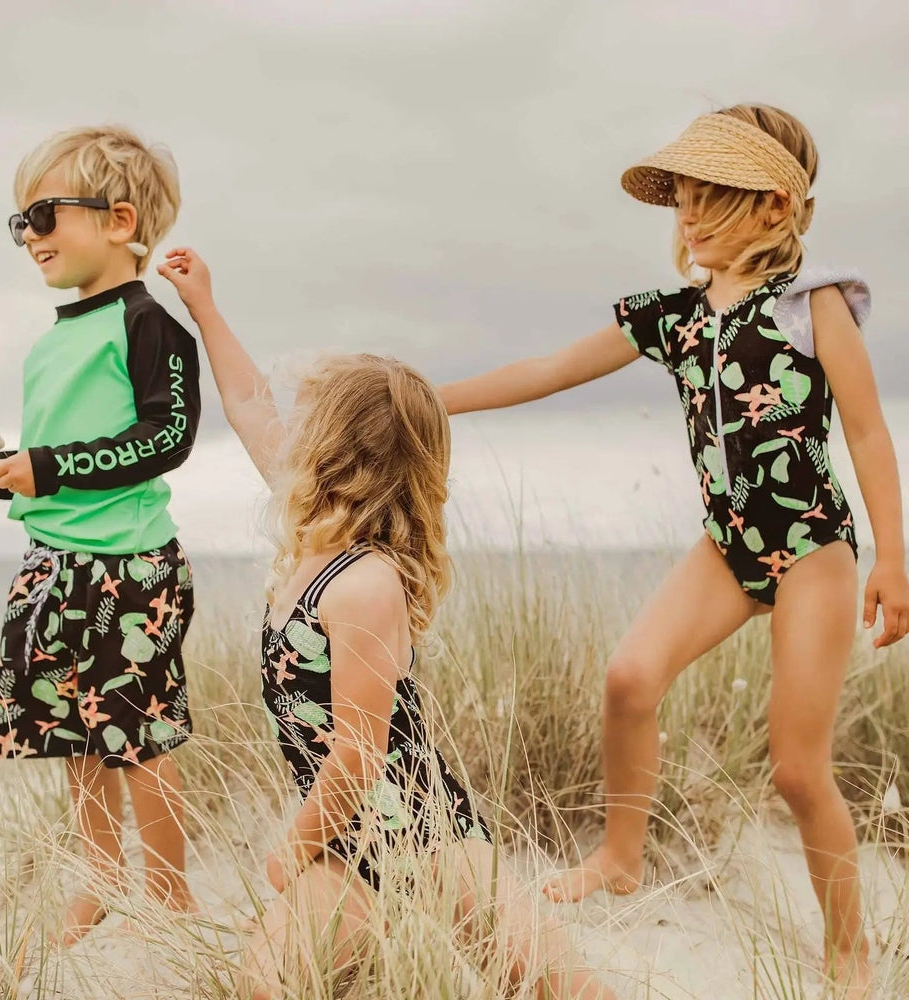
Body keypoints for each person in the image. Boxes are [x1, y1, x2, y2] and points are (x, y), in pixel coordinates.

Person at [437, 104, 909, 997]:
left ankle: (850, 946)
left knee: (799, 768)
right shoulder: (674, 316)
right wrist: (433, 397)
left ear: (774, 207)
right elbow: (547, 370)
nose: (685, 220)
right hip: (727, 549)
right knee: (629, 679)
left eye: (708, 201)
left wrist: (891, 557)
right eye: (680, 202)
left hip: (813, 549)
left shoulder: (816, 307)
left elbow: (872, 433)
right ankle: (621, 857)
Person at [158, 247, 615, 999]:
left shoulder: (365, 582)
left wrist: (287, 852)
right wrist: (205, 307)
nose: (286, 421)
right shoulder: (311, 531)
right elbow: (245, 400)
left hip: (424, 839)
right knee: (263, 986)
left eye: (305, 415)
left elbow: (359, 756)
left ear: (336, 450)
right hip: (343, 851)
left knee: (560, 989)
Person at [0, 126, 202, 945]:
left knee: (139, 736)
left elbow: (168, 437)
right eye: (20, 223)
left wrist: (45, 466)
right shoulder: (55, 340)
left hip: (128, 567)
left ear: (120, 221)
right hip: (54, 564)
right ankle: (103, 874)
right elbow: (38, 452)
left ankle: (172, 891)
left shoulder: (150, 325)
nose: (30, 236)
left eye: (44, 215)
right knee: (73, 731)